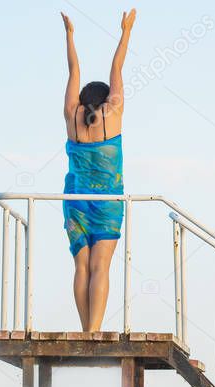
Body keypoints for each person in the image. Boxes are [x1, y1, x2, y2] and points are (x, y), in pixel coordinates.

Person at [60, 9, 136, 331]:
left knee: (81, 268)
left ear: (81, 100)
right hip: (107, 202)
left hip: (75, 200)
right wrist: (126, 31)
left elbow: (73, 69)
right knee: (100, 266)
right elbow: (117, 66)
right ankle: (93, 331)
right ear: (105, 98)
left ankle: (84, 330)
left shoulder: (71, 115)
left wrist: (70, 36)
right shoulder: (113, 111)